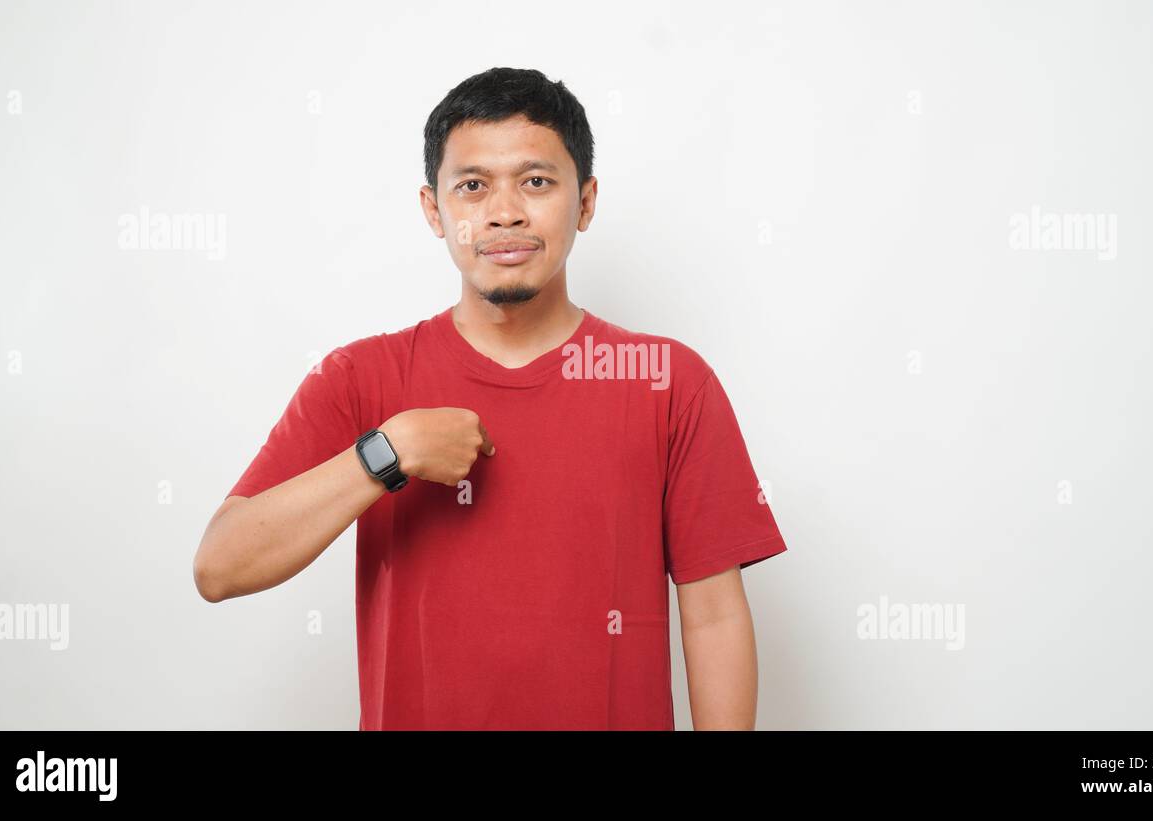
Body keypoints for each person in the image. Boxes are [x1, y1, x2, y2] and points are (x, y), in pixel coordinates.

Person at [193, 67, 788, 730]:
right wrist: (388, 454)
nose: (504, 212)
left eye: (536, 181)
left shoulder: (668, 380)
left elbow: (713, 614)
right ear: (433, 209)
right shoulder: (359, 376)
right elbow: (221, 564)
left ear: (586, 202)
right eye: (473, 186)